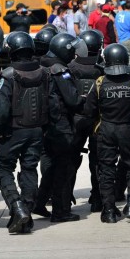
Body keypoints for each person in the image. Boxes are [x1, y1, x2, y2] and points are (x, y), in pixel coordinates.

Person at [84, 43, 130, 224]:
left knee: (106, 169)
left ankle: (109, 210)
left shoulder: (100, 83)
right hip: (128, 128)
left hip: (106, 130)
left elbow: (89, 110)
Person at [0, 32, 50, 234]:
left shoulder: (8, 75)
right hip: (36, 130)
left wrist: (0, 131)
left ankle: (17, 207)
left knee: (2, 171)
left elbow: (1, 110)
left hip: (13, 130)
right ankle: (25, 215)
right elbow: (50, 103)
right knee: (29, 169)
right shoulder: (44, 73)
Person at [38, 33, 85, 223]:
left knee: (50, 166)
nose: (74, 54)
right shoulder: (60, 70)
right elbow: (72, 99)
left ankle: (38, 201)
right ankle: (60, 211)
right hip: (60, 125)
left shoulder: (42, 66)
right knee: (63, 169)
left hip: (45, 125)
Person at [68, 30, 105, 213]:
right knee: (97, 161)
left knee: (70, 160)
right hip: (97, 120)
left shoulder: (71, 67)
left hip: (75, 119)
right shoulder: (102, 69)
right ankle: (98, 198)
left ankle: (64, 198)